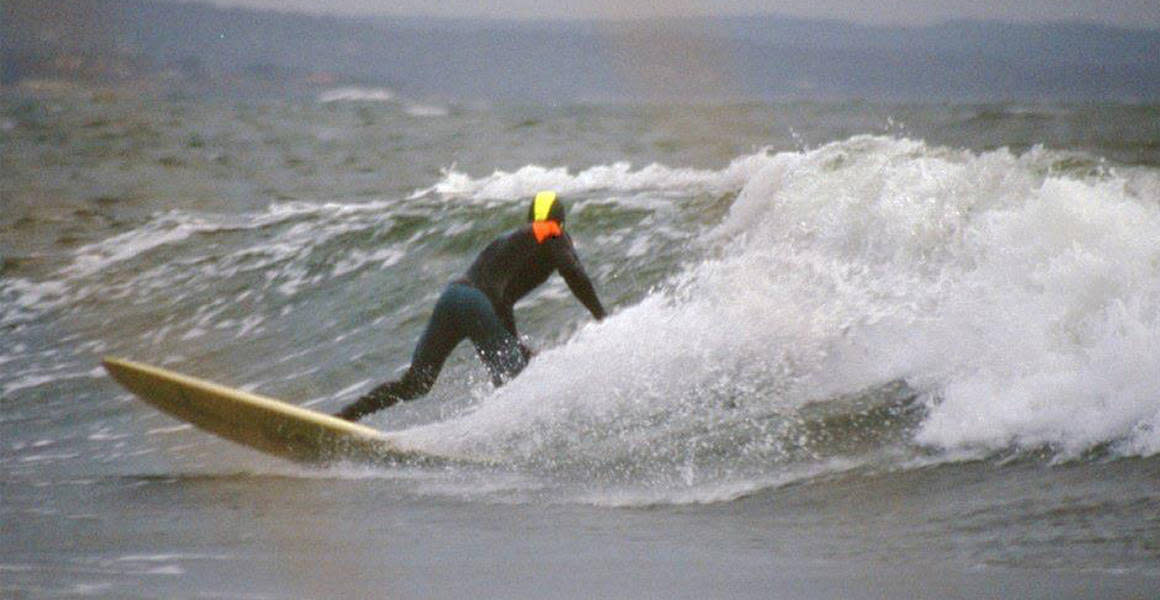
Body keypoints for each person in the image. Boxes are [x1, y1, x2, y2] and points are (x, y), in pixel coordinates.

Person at [336, 191, 606, 422]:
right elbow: (574, 273)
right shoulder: (552, 233)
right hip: (477, 305)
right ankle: (506, 445)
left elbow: (503, 301)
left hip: (453, 297)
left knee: (415, 385)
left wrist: (513, 342)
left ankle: (344, 418)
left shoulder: (514, 243)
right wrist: (601, 317)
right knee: (514, 382)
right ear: (559, 222)